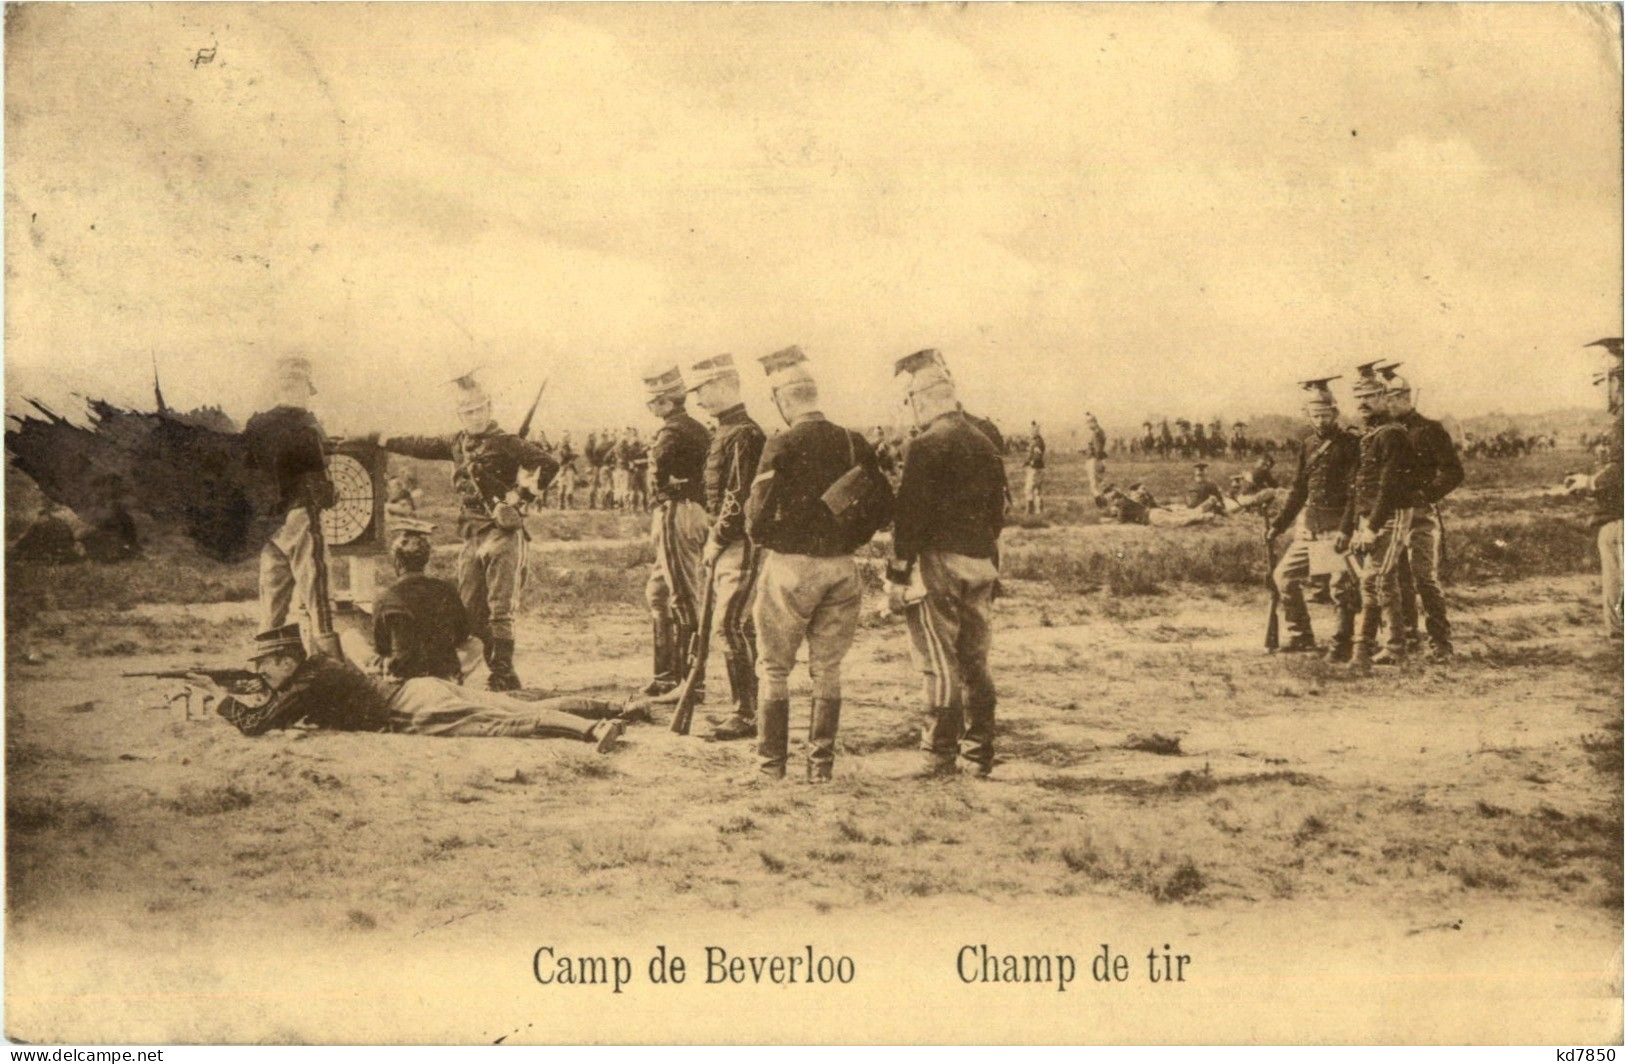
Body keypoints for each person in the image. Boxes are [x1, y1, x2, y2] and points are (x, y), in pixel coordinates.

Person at [746, 345, 892, 782]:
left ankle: (771, 767)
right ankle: (820, 768)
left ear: (785, 400)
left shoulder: (782, 443)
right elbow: (883, 505)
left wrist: (769, 539)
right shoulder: (853, 441)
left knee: (773, 667)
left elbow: (755, 514)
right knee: (827, 669)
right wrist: (851, 537)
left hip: (791, 567)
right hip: (841, 567)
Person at [377, 369, 559, 691]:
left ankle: (503, 673)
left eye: (478, 410)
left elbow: (549, 464)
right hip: (472, 533)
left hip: (502, 532)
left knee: (500, 608)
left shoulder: (506, 441)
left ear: (488, 409)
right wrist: (383, 440)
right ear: (460, 415)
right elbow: (420, 444)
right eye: (466, 412)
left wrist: (523, 496)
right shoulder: (457, 442)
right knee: (469, 607)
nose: (473, 417)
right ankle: (474, 668)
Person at [204, 624, 625, 750]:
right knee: (510, 705)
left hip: (410, 712)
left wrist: (215, 698)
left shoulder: (306, 682)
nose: (263, 675)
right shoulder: (316, 666)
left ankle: (592, 730)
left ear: (283, 660)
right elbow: (275, 698)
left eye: (265, 667)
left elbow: (257, 723)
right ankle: (616, 707)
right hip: (420, 688)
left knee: (502, 724)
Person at [889, 349, 1006, 778]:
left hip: (940, 562)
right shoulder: (984, 440)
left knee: (938, 662)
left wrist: (898, 574)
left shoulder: (925, 445)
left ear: (921, 399)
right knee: (976, 660)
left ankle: (938, 755)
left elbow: (910, 518)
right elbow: (998, 511)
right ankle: (980, 753)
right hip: (981, 562)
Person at [685, 354, 767, 741]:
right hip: (725, 540)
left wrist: (717, 538)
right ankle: (748, 708)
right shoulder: (726, 430)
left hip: (740, 543)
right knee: (735, 626)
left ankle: (747, 714)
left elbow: (738, 494)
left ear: (722, 385)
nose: (698, 400)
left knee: (729, 625)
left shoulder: (746, 434)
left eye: (701, 390)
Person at [241, 355, 336, 640]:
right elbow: (323, 489)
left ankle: (268, 671)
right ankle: (329, 672)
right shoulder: (308, 426)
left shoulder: (256, 426)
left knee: (271, 607)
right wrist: (333, 494)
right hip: (301, 519)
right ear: (304, 388)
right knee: (318, 601)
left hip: (269, 524)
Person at [1268, 377, 1362, 659]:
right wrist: (1279, 525)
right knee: (1283, 577)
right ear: (1308, 416)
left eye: (1326, 414)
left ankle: (1342, 642)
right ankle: (1301, 636)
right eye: (1315, 414)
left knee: (1340, 588)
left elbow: (1355, 495)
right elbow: (1299, 490)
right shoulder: (1307, 445)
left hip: (1337, 529)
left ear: (1335, 413)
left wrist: (1347, 529)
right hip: (1310, 528)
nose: (1321, 420)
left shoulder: (1350, 444)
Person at [1381, 363, 1464, 661]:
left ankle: (1441, 642)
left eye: (1394, 397)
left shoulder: (1430, 429)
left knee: (1423, 578)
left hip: (1419, 515)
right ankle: (1407, 638)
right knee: (1394, 576)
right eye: (1385, 398)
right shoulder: (1385, 433)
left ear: (1407, 397)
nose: (1389, 403)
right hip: (1391, 516)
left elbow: (1454, 472)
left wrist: (1425, 494)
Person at [1343, 365, 1421, 670]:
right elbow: (1361, 485)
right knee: (1378, 582)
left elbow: (1389, 486)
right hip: (1371, 517)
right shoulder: (1370, 435)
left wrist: (1372, 527)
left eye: (1370, 395)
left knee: (1376, 579)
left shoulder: (1392, 435)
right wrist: (1358, 524)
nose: (1363, 402)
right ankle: (1392, 646)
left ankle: (1368, 652)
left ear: (1383, 397)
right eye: (1358, 396)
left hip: (1391, 516)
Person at [641, 364, 712, 698]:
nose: (650, 407)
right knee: (658, 593)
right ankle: (667, 675)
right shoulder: (696, 428)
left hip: (677, 512)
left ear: (666, 401)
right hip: (690, 510)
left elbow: (658, 474)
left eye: (653, 401)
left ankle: (690, 682)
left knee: (682, 596)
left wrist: (665, 484)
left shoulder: (672, 432)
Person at [371, 520, 468, 682]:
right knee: (475, 644)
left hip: (405, 679)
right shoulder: (447, 590)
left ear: (397, 561)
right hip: (445, 675)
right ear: (426, 559)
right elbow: (462, 634)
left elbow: (382, 648)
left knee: (352, 641)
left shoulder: (384, 598)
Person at [77, 473, 142, 563]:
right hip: (97, 537)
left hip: (111, 538)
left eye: (117, 486)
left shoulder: (118, 507)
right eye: (112, 485)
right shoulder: (94, 502)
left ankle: (127, 549)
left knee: (125, 519)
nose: (116, 489)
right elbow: (90, 519)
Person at [11, 502, 80, 563]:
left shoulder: (41, 524)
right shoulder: (60, 521)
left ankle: (17, 552)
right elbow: (71, 537)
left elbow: (29, 536)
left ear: (43, 515)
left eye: (39, 516)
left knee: (28, 542)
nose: (38, 518)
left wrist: (19, 542)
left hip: (53, 548)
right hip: (65, 547)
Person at [1023, 422, 1046, 515]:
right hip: (1039, 467)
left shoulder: (1036, 442)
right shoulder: (1039, 440)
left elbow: (1037, 455)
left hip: (1035, 468)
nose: (1031, 432)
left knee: (1029, 489)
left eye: (1032, 430)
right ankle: (1039, 510)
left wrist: (1030, 462)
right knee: (1037, 489)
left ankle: (1030, 509)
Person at [1084, 413, 1107, 498]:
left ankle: (1101, 502)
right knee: (1099, 482)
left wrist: (1098, 460)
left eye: (1088, 422)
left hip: (1094, 459)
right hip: (1097, 458)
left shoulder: (1096, 433)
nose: (1087, 425)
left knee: (1094, 485)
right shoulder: (1100, 431)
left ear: (1093, 422)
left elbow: (1098, 449)